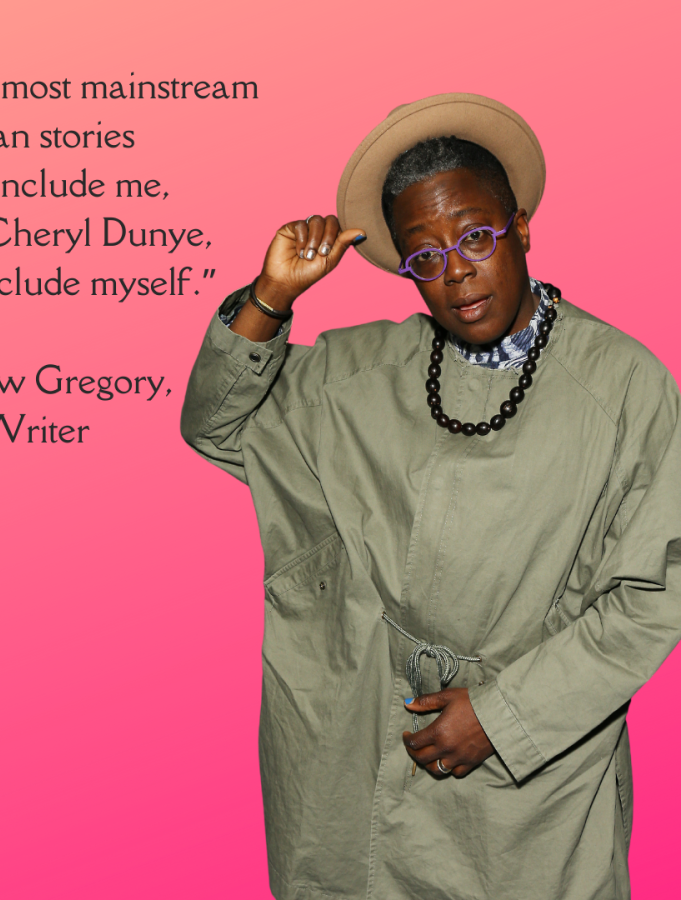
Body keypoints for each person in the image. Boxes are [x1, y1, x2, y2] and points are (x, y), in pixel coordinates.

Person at [180, 93, 681, 900]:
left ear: (519, 226)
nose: (457, 271)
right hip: (349, 759)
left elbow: (658, 593)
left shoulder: (621, 387)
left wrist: (505, 715)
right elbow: (215, 424)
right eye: (426, 255)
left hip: (530, 794)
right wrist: (272, 295)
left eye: (476, 236)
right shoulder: (355, 374)